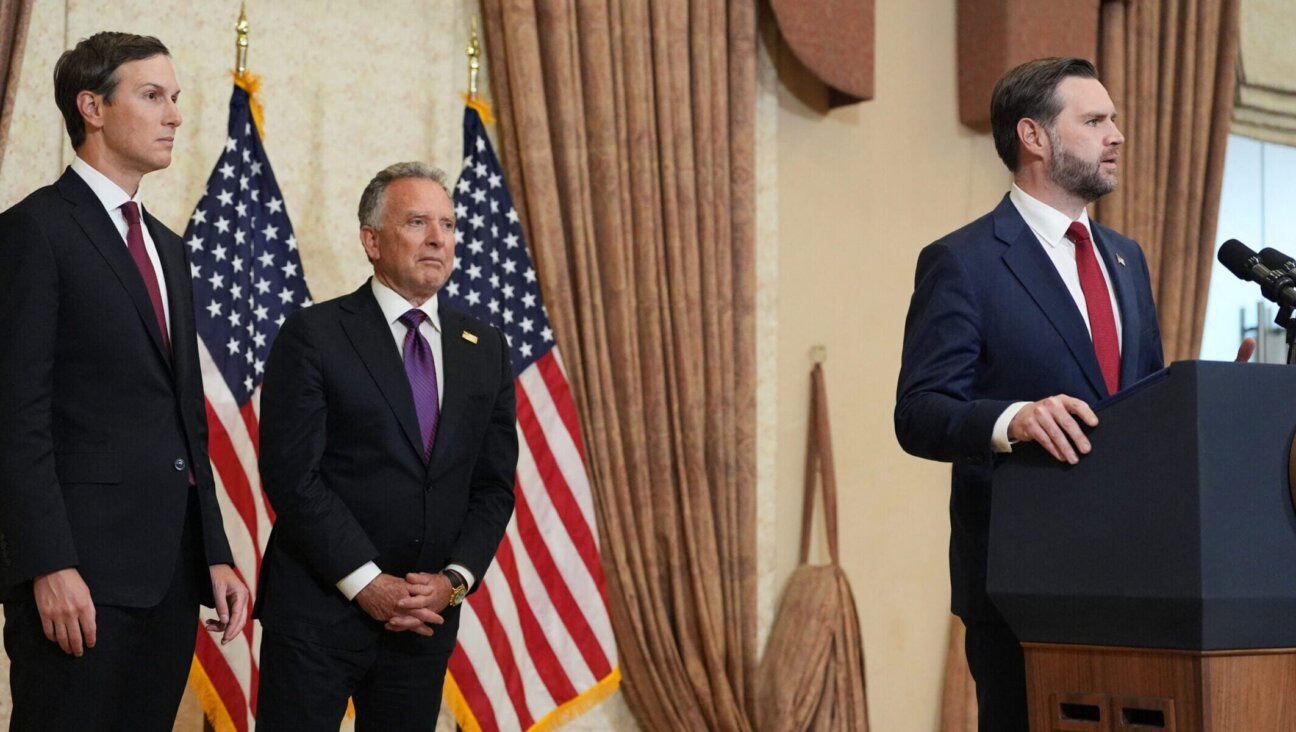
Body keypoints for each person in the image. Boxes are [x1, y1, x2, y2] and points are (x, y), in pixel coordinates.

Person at [894, 57, 1165, 731]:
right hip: (1023, 582)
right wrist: (1015, 419)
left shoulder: (1127, 259)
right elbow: (919, 411)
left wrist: (1198, 401)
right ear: (1034, 138)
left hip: (1136, 576)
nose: (1117, 134)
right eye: (1095, 120)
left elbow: (1143, 400)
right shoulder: (966, 261)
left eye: (1115, 119)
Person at [0, 32, 249, 731]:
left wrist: (216, 554)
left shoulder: (169, 248)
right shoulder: (33, 233)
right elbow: (16, 419)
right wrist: (47, 564)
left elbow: (184, 420)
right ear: (93, 107)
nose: (174, 114)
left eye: (176, 99)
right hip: (78, 576)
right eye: (152, 95)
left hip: (168, 576)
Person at [255, 161, 518, 730]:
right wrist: (367, 582)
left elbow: (493, 488)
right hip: (317, 615)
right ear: (371, 241)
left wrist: (453, 582)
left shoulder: (486, 348)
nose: (436, 239)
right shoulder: (315, 334)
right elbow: (291, 476)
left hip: (421, 625)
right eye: (417, 222)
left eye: (447, 225)